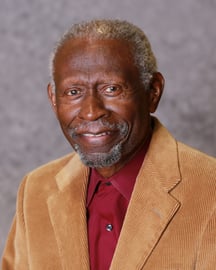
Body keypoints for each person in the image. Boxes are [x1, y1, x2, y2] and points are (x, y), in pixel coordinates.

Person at [1, 19, 216, 270]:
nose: (91, 112)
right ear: (53, 99)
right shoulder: (36, 190)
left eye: (112, 89)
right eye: (73, 92)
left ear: (153, 92)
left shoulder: (209, 192)